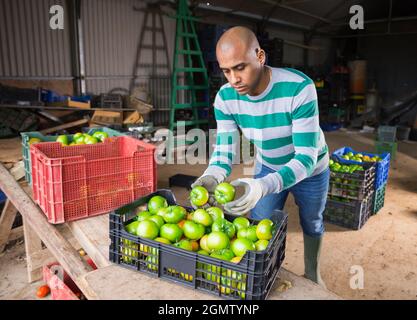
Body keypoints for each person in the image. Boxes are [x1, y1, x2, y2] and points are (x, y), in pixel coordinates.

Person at [191, 26, 329, 288]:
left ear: (261, 56)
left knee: (312, 220)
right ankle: (263, 274)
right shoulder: (225, 98)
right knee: (260, 224)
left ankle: (313, 272)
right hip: (269, 164)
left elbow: (306, 158)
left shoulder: (299, 88)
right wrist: (212, 175)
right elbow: (225, 149)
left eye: (240, 67)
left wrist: (261, 186)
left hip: (311, 170)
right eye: (226, 71)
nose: (234, 79)